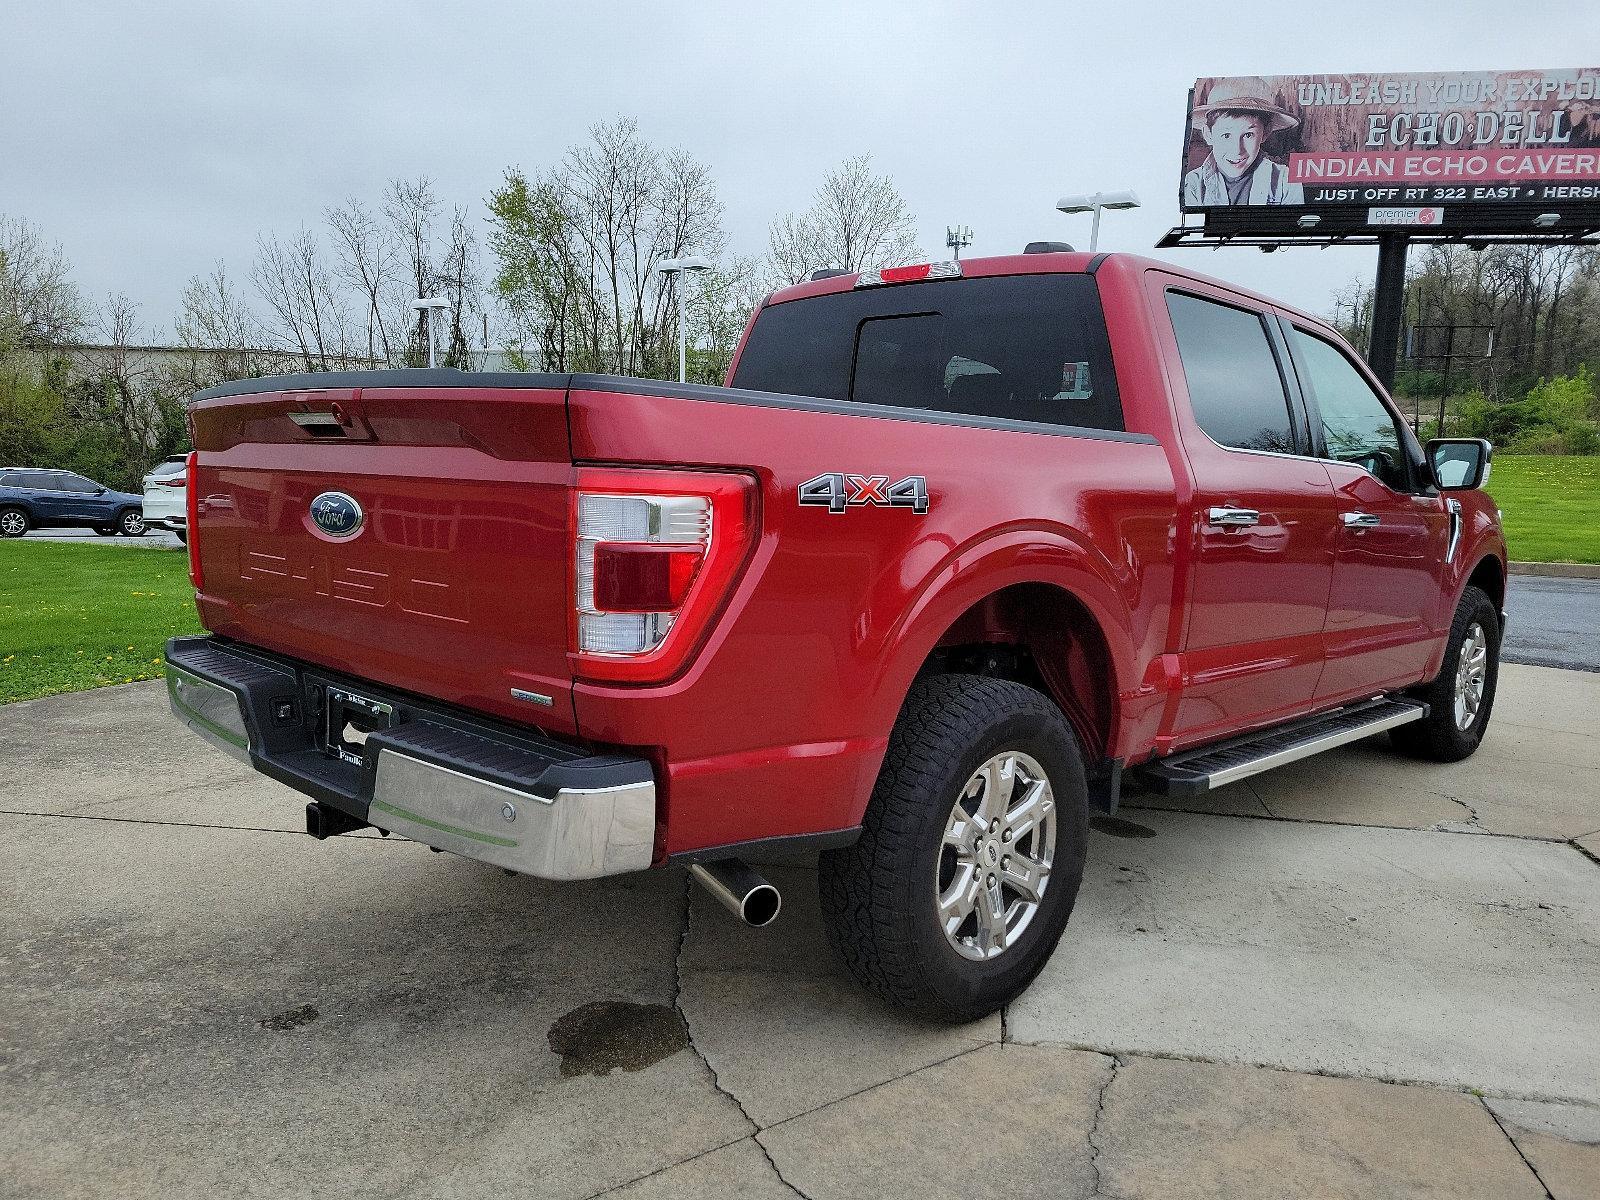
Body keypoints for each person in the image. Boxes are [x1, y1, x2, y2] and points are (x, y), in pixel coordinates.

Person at [1183, 77, 1305, 207]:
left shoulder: (1284, 181)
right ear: (1208, 135)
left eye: (1248, 135)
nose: (1237, 150)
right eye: (1226, 135)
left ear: (1265, 133)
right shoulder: (1193, 183)